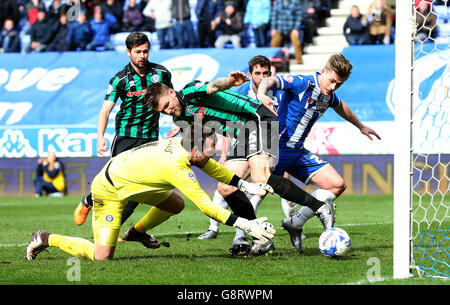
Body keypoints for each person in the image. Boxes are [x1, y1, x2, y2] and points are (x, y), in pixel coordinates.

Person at [144, 71, 336, 255]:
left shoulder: (189, 91)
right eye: (163, 111)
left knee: (262, 178)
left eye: (167, 105)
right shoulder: (180, 118)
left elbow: (212, 87)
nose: (168, 111)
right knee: (225, 187)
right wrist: (197, 149)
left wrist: (228, 81)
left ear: (171, 92)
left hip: (257, 117)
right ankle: (261, 238)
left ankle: (319, 207)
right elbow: (210, 140)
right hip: (241, 134)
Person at [25, 124, 276, 261]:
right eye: (212, 146)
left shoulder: (186, 145)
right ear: (196, 149)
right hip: (111, 189)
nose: (216, 150)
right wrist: (246, 224)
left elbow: (213, 167)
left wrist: (246, 186)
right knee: (102, 256)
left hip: (134, 180)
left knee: (175, 204)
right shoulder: (177, 166)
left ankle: (136, 233)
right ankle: (45, 237)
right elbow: (206, 207)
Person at [256, 53, 381, 253]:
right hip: (276, 148)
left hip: (297, 152)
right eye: (332, 81)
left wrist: (360, 126)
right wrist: (262, 95)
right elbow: (269, 80)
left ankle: (295, 223)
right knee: (259, 191)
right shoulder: (303, 83)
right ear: (323, 72)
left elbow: (341, 106)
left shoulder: (328, 95)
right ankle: (242, 237)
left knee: (337, 185)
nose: (333, 87)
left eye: (338, 84)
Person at [73, 32, 174, 246]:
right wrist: (100, 137)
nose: (143, 56)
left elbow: (172, 99)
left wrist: (178, 124)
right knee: (115, 183)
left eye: (146, 51)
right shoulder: (120, 79)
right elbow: (105, 111)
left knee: (140, 187)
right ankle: (88, 200)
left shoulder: (161, 73)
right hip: (126, 138)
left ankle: (117, 227)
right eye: (138, 52)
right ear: (128, 52)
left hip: (150, 139)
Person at [196, 55, 298, 254]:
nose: (261, 77)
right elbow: (228, 124)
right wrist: (224, 154)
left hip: (270, 141)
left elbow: (286, 118)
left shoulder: (279, 91)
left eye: (265, 73)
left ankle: (248, 234)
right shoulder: (241, 92)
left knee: (261, 189)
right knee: (225, 186)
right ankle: (214, 228)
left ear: (271, 74)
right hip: (243, 142)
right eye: (257, 73)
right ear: (250, 75)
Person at [270, 0, 303, 64]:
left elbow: (298, 17)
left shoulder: (296, 2)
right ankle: (277, 61)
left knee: (296, 42)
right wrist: (273, 28)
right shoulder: (277, 2)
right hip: (280, 28)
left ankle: (299, 61)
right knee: (274, 42)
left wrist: (296, 28)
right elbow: (274, 17)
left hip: (292, 28)